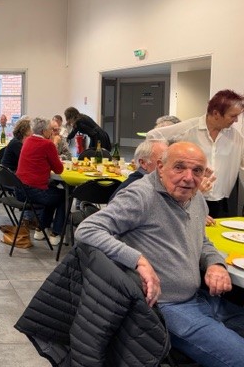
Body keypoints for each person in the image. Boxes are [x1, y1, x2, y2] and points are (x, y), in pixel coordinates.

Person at [75, 142, 244, 366]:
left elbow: (201, 240)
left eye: (197, 171)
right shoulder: (141, 195)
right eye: (179, 167)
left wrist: (215, 263)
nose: (189, 178)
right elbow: (87, 229)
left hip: (201, 298)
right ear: (160, 167)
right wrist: (138, 260)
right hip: (166, 308)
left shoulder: (194, 197)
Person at [147, 89, 244, 218]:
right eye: (232, 116)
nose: (236, 120)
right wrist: (167, 160)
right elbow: (153, 136)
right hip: (190, 197)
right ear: (216, 113)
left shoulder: (235, 137)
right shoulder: (188, 128)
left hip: (221, 201)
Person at [15, 117, 65, 245]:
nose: (51, 132)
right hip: (34, 192)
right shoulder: (48, 144)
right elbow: (59, 169)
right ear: (44, 131)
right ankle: (56, 234)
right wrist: (54, 143)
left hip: (20, 190)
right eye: (50, 129)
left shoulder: (27, 141)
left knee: (53, 192)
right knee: (63, 196)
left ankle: (41, 229)